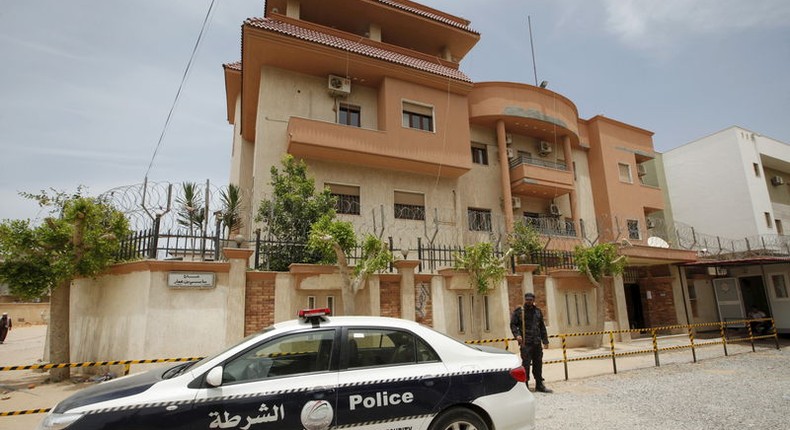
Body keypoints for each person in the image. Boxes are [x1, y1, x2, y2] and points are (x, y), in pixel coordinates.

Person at [510, 292, 552, 393]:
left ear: (533, 300)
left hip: (537, 343)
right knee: (526, 365)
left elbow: (542, 327)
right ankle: (525, 385)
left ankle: (539, 384)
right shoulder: (520, 311)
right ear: (525, 299)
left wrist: (545, 340)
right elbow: (513, 324)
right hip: (526, 343)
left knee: (538, 364)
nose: (529, 301)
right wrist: (517, 335)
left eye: (530, 300)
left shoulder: (538, 311)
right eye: (527, 299)